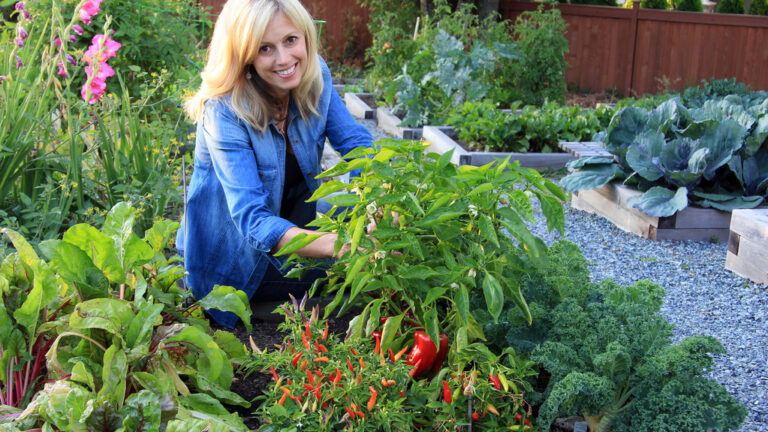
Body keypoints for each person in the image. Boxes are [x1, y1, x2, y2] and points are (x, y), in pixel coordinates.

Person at [177, 0, 373, 328]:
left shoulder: (313, 73)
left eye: (291, 40)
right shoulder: (224, 111)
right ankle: (252, 300)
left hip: (289, 223)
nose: (284, 59)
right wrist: (344, 245)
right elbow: (253, 222)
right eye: (265, 48)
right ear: (244, 54)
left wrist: (380, 197)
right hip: (234, 258)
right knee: (356, 268)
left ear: (306, 37)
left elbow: (355, 144)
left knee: (373, 222)